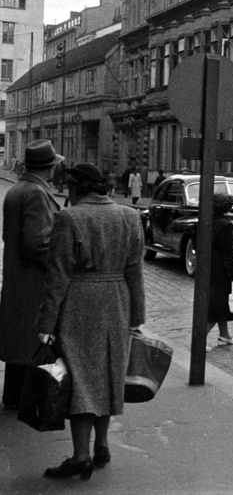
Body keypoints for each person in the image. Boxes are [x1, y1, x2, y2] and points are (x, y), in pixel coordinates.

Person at [35, 162, 146, 479]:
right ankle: (102, 446)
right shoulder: (129, 216)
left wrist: (45, 324)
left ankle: (80, 456)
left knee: (81, 380)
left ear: (75, 188)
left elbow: (57, 277)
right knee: (108, 376)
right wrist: (136, 316)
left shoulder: (69, 218)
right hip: (117, 302)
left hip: (80, 303)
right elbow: (135, 272)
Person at [0, 139, 63, 410]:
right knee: (33, 341)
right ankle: (29, 401)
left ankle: (13, 396)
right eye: (53, 167)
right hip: (33, 281)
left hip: (18, 278)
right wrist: (61, 263)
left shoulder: (18, 189)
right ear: (47, 168)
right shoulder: (36, 193)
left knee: (20, 342)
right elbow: (38, 243)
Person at [207, 192, 233, 350]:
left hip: (211, 263)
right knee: (218, 304)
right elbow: (228, 251)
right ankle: (200, 339)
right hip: (222, 266)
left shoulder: (209, 220)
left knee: (221, 303)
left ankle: (224, 335)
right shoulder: (226, 225)